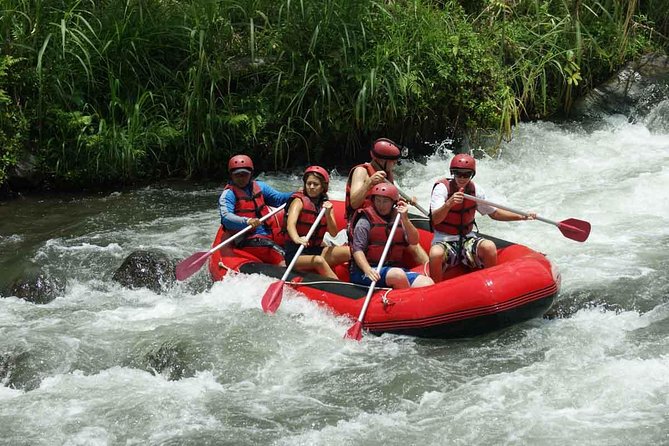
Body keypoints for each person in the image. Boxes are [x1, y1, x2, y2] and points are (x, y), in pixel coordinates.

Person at [428, 154, 537, 282]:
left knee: (489, 246)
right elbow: (436, 219)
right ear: (453, 173)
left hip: (467, 239)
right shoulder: (442, 189)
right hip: (444, 239)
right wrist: (449, 204)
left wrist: (522, 216)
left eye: (466, 174)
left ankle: (491, 283)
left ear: (472, 175)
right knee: (435, 254)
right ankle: (436, 288)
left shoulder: (476, 190)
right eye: (458, 173)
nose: (462, 178)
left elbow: (494, 213)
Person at [345, 138, 429, 264]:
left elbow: (390, 198)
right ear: (382, 161)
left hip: (383, 218)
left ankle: (435, 278)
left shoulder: (388, 174)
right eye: (393, 162)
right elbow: (354, 202)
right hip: (363, 222)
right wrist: (369, 183)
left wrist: (405, 200)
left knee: (414, 246)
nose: (395, 165)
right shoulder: (361, 171)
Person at [349, 183, 434, 289]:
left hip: (393, 269)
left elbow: (414, 241)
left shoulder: (399, 218)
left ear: (393, 202)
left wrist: (405, 218)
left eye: (385, 201)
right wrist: (367, 269)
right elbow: (357, 250)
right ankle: (404, 302)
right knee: (397, 275)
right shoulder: (364, 221)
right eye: (378, 200)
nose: (381, 205)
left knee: (427, 283)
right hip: (365, 271)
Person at [219, 154, 292, 266]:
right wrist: (247, 221)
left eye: (244, 174)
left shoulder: (260, 187)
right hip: (247, 237)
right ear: (231, 176)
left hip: (267, 231)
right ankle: (290, 274)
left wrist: (297, 194)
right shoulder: (228, 194)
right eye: (237, 175)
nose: (241, 178)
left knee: (293, 239)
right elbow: (226, 218)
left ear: (251, 174)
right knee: (281, 254)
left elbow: (278, 199)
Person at [283, 166, 351, 279]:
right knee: (318, 260)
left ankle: (360, 281)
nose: (311, 187)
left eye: (315, 184)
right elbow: (291, 225)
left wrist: (328, 214)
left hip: (314, 249)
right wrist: (297, 239)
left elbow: (334, 233)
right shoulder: (298, 201)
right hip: (295, 254)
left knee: (349, 252)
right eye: (309, 183)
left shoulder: (326, 205)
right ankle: (339, 288)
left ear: (323, 187)